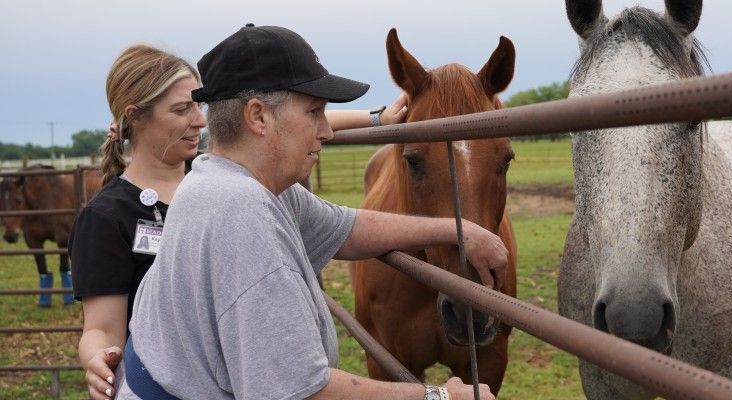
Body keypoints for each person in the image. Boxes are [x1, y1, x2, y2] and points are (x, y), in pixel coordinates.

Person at [115, 24, 506, 400]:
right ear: (258, 117)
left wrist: (458, 231)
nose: (327, 131)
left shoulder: (233, 180)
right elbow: (299, 392)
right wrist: (438, 396)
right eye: (314, 112)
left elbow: (346, 228)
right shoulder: (242, 217)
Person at [71, 44, 408, 400]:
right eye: (182, 109)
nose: (199, 119)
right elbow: (101, 328)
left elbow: (288, 122)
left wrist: (376, 117)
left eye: (199, 105)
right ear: (135, 116)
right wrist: (96, 356)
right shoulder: (107, 218)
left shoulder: (211, 177)